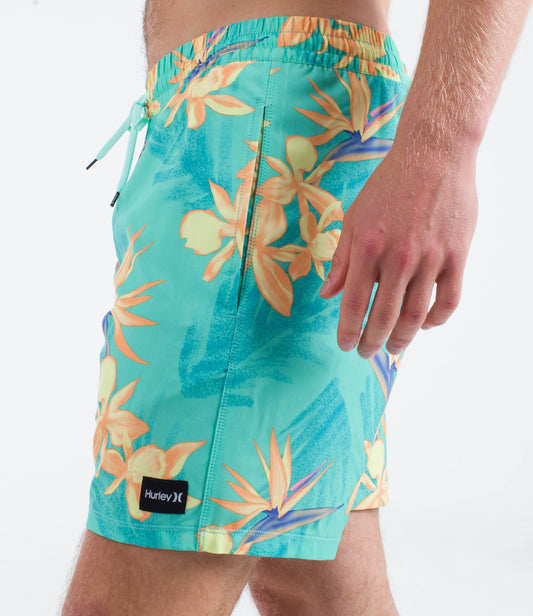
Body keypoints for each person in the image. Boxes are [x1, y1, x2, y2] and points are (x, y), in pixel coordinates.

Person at [61, 1, 532, 614]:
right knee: (306, 578)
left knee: (150, 563)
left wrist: (441, 148)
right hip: (220, 112)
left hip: (270, 126)